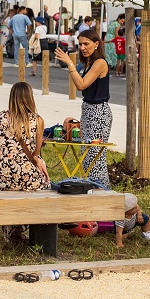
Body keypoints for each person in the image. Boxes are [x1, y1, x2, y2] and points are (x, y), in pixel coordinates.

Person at [0, 82, 51, 246]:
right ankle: (19, 228)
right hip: (24, 177)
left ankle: (11, 227)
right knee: (46, 184)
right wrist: (39, 160)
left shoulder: (0, 117)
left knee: (14, 188)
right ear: (30, 97)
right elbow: (34, 153)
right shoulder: (37, 120)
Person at [54, 28, 112, 190]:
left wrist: (70, 64)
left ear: (96, 44)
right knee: (86, 156)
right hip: (88, 110)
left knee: (95, 156)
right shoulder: (88, 63)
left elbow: (81, 85)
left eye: (86, 44)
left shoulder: (100, 63)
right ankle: (91, 189)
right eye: (80, 44)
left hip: (99, 111)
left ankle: (102, 191)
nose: (83, 47)